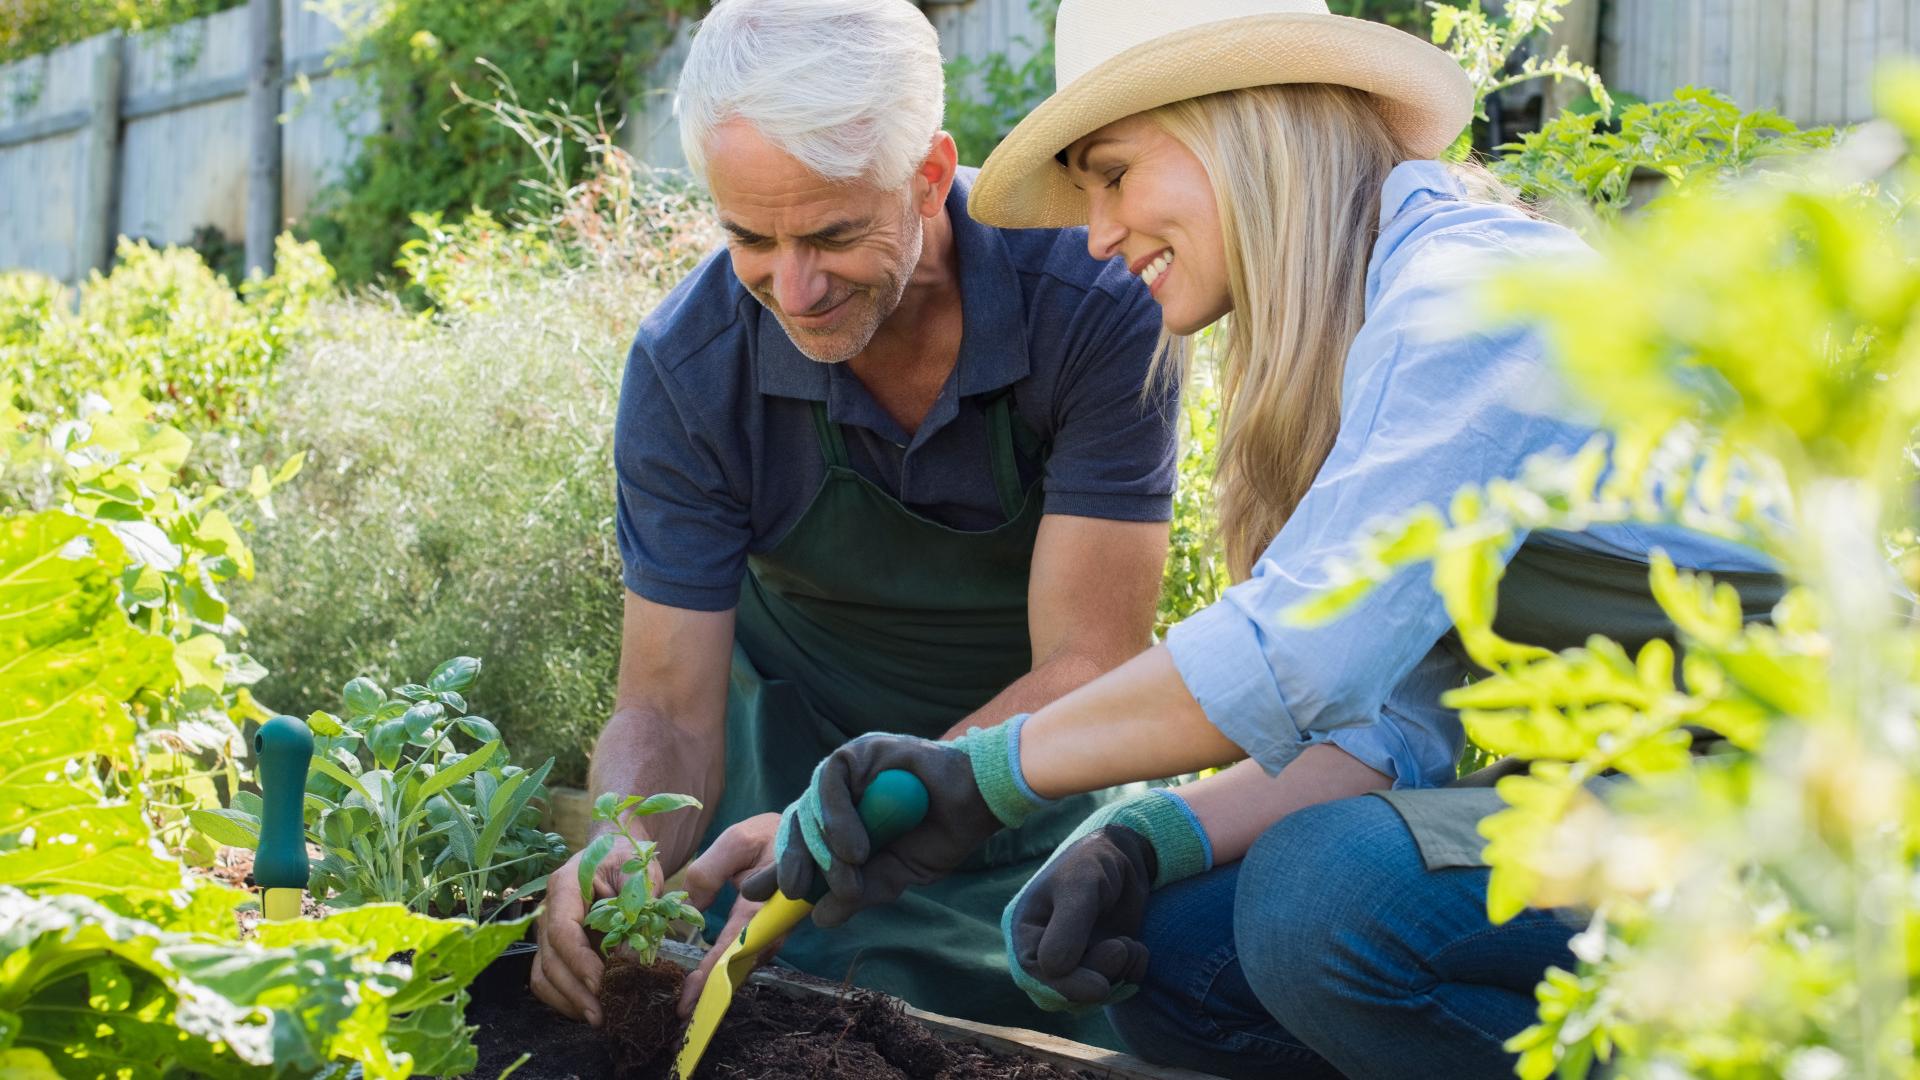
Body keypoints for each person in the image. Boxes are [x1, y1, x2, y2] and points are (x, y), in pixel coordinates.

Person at [747, 1, 1787, 1076]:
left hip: (1807, 801)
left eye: (1111, 173)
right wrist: (1142, 841)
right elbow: (1394, 734)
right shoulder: (1371, 330)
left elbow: (1297, 652)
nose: (1096, 235)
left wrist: (987, 777)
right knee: (1172, 942)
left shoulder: (1475, 300)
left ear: (1241, 126)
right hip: (1633, 805)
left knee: (1324, 892)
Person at [529, 0, 1185, 1039]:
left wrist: (891, 803)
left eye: (833, 233)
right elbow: (667, 707)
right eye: (749, 236)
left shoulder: (1087, 302)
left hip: (1042, 780)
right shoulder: (692, 367)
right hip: (790, 811)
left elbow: (1092, 663)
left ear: (929, 175)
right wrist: (623, 839)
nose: (792, 287)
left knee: (1104, 1005)